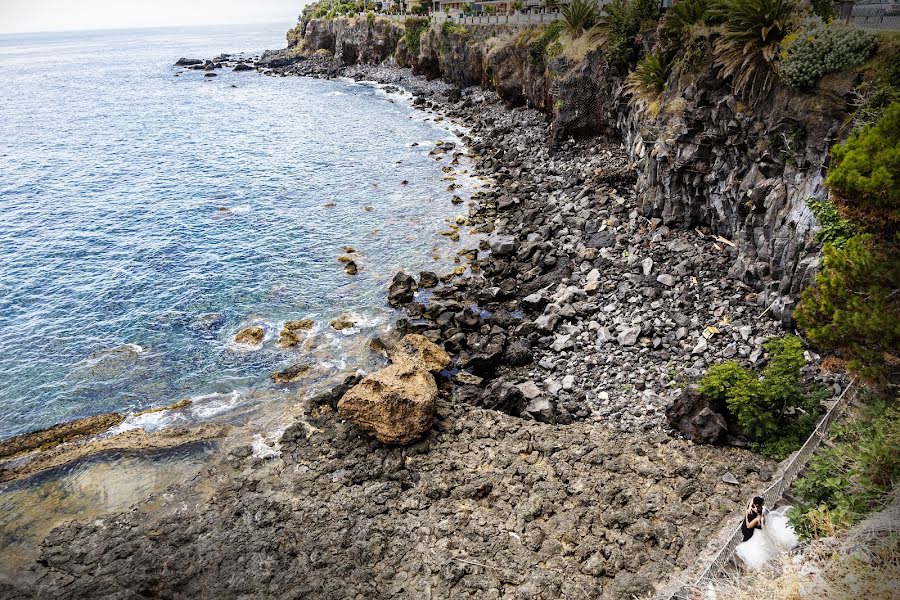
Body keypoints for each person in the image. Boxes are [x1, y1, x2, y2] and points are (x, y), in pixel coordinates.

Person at [735, 495, 800, 570]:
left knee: (759, 545)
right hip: (758, 530)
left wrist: (746, 516)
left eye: (754, 507)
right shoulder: (760, 508)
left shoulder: (758, 517)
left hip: (757, 532)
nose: (753, 508)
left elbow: (749, 526)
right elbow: (753, 499)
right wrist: (749, 507)